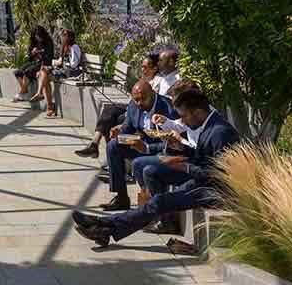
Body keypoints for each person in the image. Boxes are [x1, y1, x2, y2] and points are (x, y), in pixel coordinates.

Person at [71, 81, 240, 247]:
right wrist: (181, 149)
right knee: (158, 199)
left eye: (183, 116)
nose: (183, 122)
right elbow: (203, 159)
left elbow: (218, 175)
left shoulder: (220, 133)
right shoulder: (207, 125)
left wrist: (185, 166)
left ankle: (103, 225)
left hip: (214, 190)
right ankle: (104, 228)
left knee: (159, 202)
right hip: (202, 182)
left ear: (196, 112)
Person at [97, 78, 177, 211]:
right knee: (113, 146)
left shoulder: (167, 108)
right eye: (136, 100)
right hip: (141, 143)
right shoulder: (134, 105)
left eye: (142, 99)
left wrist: (146, 148)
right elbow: (127, 128)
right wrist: (119, 133)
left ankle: (150, 202)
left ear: (152, 93)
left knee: (139, 162)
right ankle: (121, 197)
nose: (139, 103)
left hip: (161, 149)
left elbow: (173, 143)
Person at [74, 52, 162, 159]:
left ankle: (110, 155)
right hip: (131, 106)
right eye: (142, 67)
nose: (142, 70)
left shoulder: (157, 82)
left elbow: (148, 103)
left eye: (145, 67)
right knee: (109, 110)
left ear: (154, 69)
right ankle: (95, 143)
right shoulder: (144, 79)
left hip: (140, 111)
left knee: (116, 119)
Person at [13, 25, 54, 106]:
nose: (38, 38)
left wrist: (39, 52)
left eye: (39, 36)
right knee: (17, 72)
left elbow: (48, 56)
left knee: (27, 72)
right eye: (36, 36)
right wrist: (32, 53)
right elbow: (29, 56)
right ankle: (24, 90)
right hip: (34, 62)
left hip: (44, 63)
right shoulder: (34, 42)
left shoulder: (48, 42)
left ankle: (22, 92)